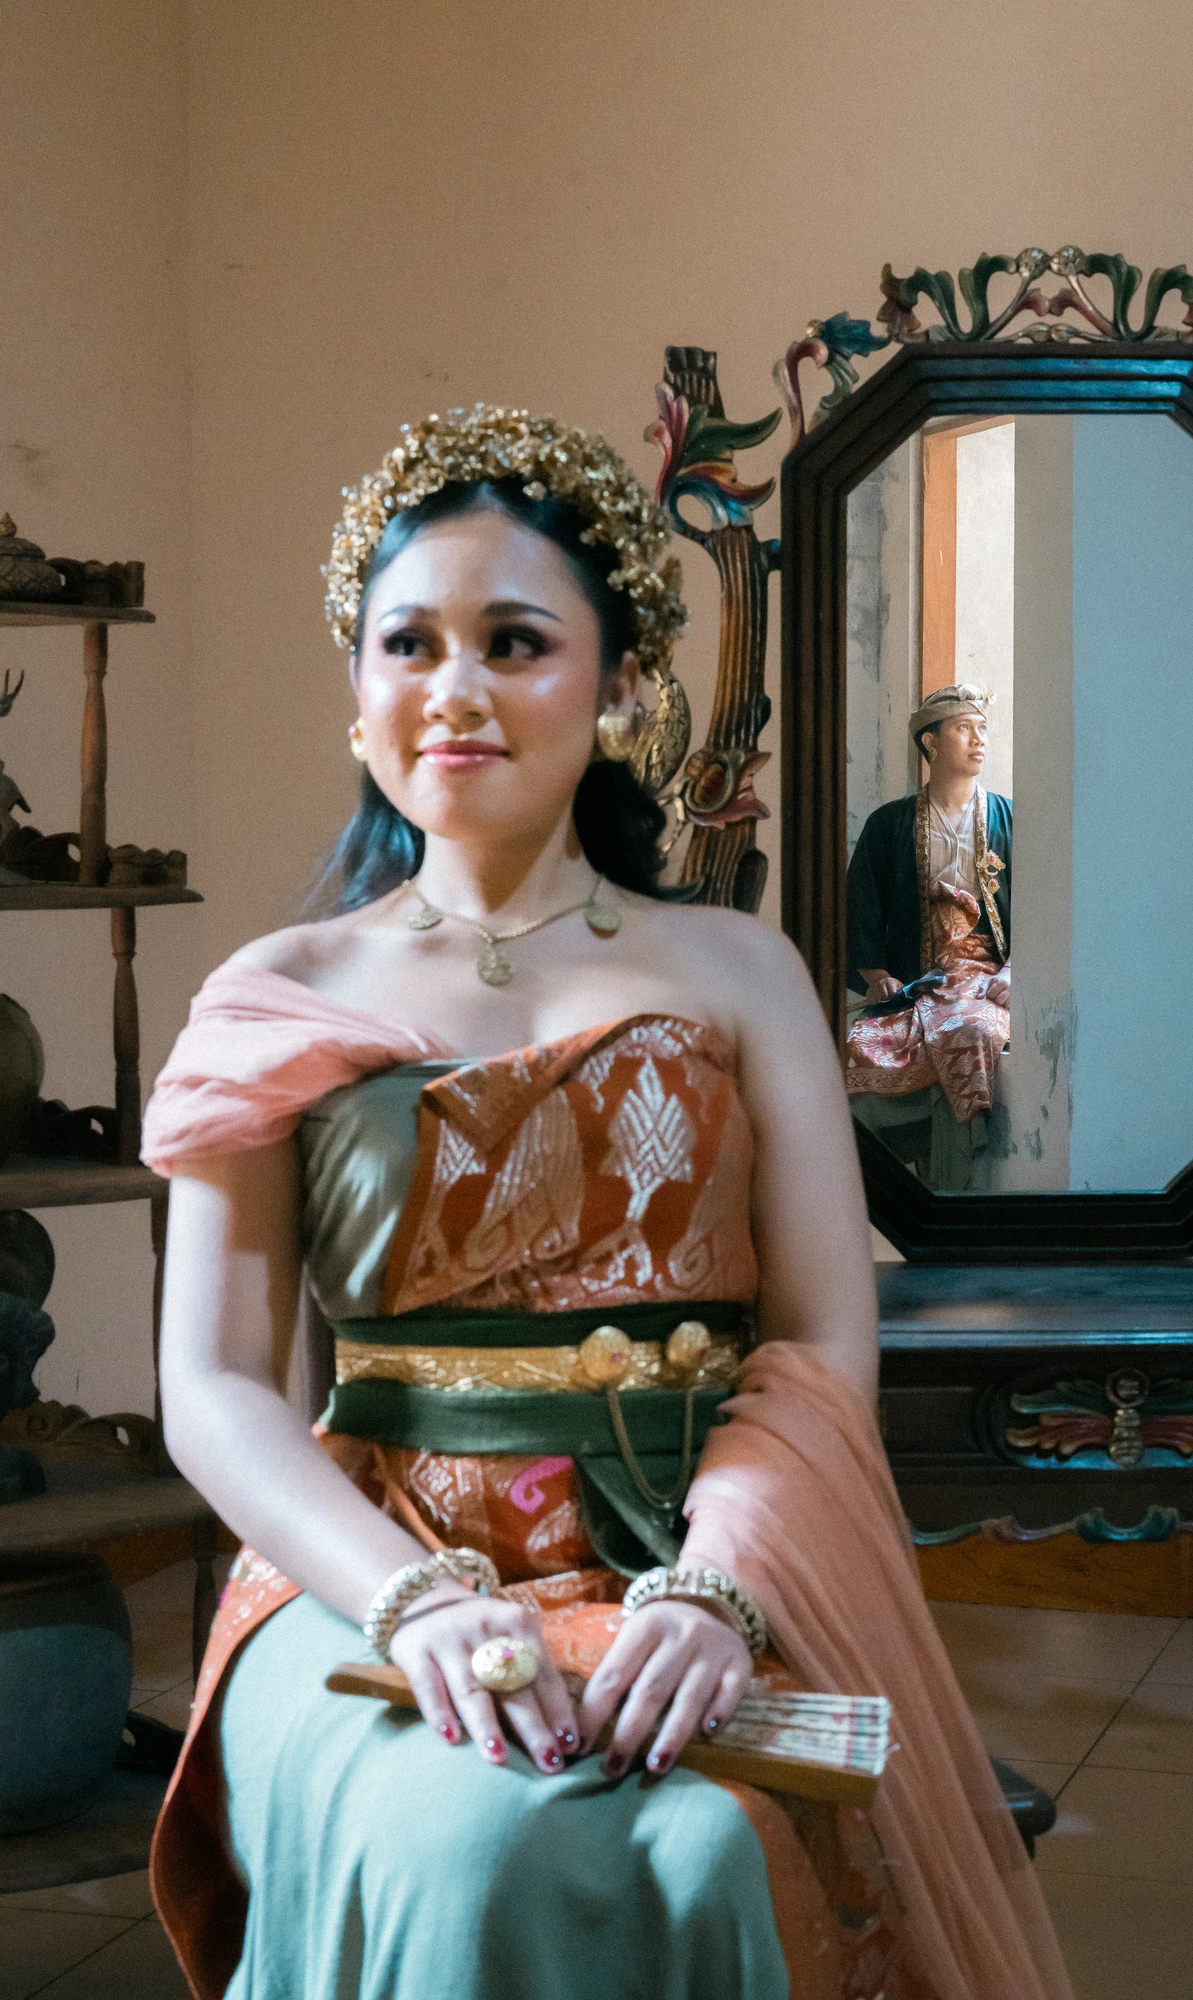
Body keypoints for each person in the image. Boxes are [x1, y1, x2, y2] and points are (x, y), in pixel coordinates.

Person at [144, 408, 1071, 2000]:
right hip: (371, 1567)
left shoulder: (736, 969)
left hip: (683, 1563)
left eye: (516, 643)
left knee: (708, 1851)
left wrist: (718, 1590)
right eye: (408, 644)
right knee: (472, 1846)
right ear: (357, 686)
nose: (455, 690)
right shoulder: (275, 991)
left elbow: (818, 1337)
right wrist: (413, 1602)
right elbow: (216, 1385)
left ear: (622, 683)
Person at [845, 687, 1012, 1188]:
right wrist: (876, 975)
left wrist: (1014, 972)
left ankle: (947, 1195)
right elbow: (861, 906)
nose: (979, 740)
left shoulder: (1010, 819)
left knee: (968, 1033)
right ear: (931, 742)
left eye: (982, 729)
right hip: (917, 984)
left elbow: (1044, 909)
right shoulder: (888, 824)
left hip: (984, 983)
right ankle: (920, 1186)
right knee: (860, 1044)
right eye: (964, 728)